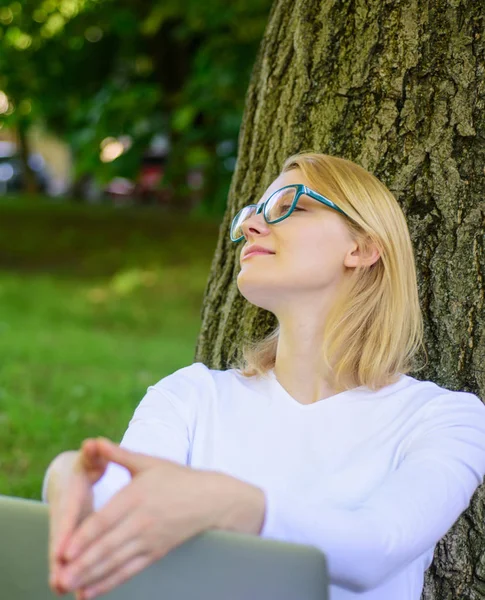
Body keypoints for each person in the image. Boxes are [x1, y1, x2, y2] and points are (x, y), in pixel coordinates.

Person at [43, 152, 485, 600]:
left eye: (290, 205)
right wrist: (64, 475)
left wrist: (232, 504)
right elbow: (110, 513)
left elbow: (378, 544)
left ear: (363, 247)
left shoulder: (446, 419)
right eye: (253, 213)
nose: (252, 226)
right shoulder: (189, 397)